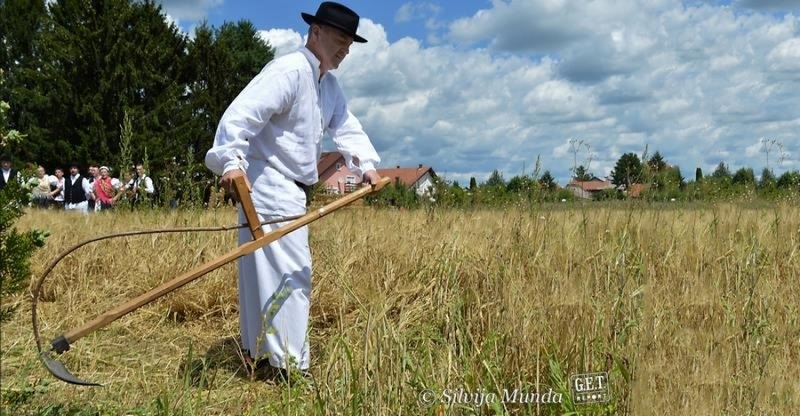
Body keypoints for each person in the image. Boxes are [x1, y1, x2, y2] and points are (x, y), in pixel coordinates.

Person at [205, 1, 381, 381]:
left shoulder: (328, 86)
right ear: (315, 32)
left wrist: (367, 167)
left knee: (263, 273)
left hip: (291, 190)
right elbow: (241, 114)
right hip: (269, 183)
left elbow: (346, 127)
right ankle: (289, 366)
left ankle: (258, 354)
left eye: (350, 44)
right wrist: (232, 161)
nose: (345, 50)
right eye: (340, 39)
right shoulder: (288, 71)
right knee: (292, 274)